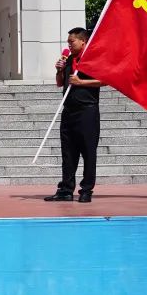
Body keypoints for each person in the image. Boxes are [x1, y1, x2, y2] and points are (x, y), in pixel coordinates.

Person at [45, 27, 104, 203]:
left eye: (72, 41)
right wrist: (59, 71)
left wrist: (81, 82)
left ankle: (86, 189)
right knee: (68, 152)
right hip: (69, 110)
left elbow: (105, 80)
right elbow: (59, 83)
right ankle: (65, 189)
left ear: (83, 41)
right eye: (68, 42)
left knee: (88, 151)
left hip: (87, 111)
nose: (69, 45)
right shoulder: (69, 59)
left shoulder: (93, 59)